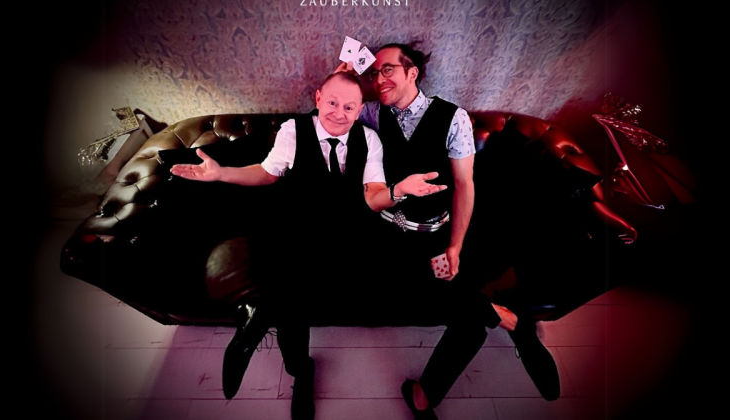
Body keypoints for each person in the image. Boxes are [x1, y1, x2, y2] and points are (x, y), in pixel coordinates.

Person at [169, 71, 467, 420]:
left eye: (349, 107)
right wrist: (222, 173)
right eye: (332, 103)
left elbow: (373, 196)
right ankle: (298, 369)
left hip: (345, 232)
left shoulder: (369, 139)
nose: (339, 113)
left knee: (314, 277)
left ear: (360, 111)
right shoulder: (294, 131)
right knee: (292, 289)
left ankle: (260, 317)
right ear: (318, 99)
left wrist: (398, 190)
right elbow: (267, 172)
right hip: (297, 227)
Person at [335, 40, 563, 416]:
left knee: (469, 325)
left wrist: (454, 245)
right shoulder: (373, 114)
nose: (378, 79)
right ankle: (510, 321)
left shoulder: (452, 117)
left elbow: (464, 186)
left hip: (435, 232)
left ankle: (424, 395)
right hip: (385, 232)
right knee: (431, 292)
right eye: (373, 73)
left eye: (387, 69)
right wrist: (343, 77)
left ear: (412, 72)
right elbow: (327, 120)